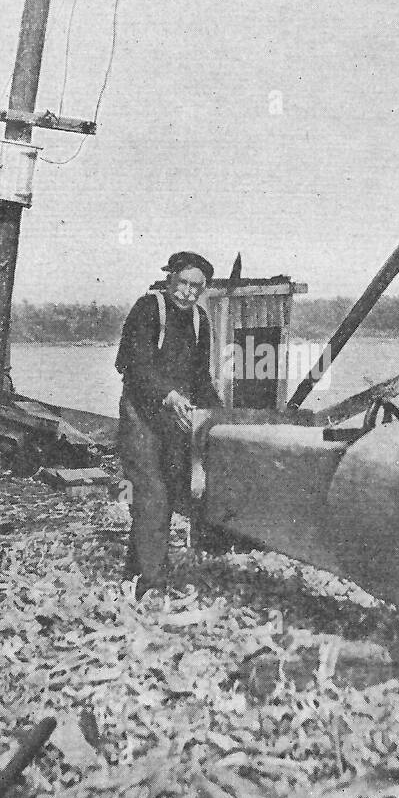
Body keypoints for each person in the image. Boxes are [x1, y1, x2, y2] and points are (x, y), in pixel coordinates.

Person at [115, 252, 222, 596]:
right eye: (183, 283)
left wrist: (221, 413)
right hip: (141, 414)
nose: (188, 293)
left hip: (175, 418)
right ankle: (150, 584)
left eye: (197, 287)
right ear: (170, 279)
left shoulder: (199, 321)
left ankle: (137, 567)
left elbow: (201, 378)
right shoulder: (149, 309)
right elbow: (132, 365)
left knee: (170, 492)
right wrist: (168, 395)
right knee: (152, 494)